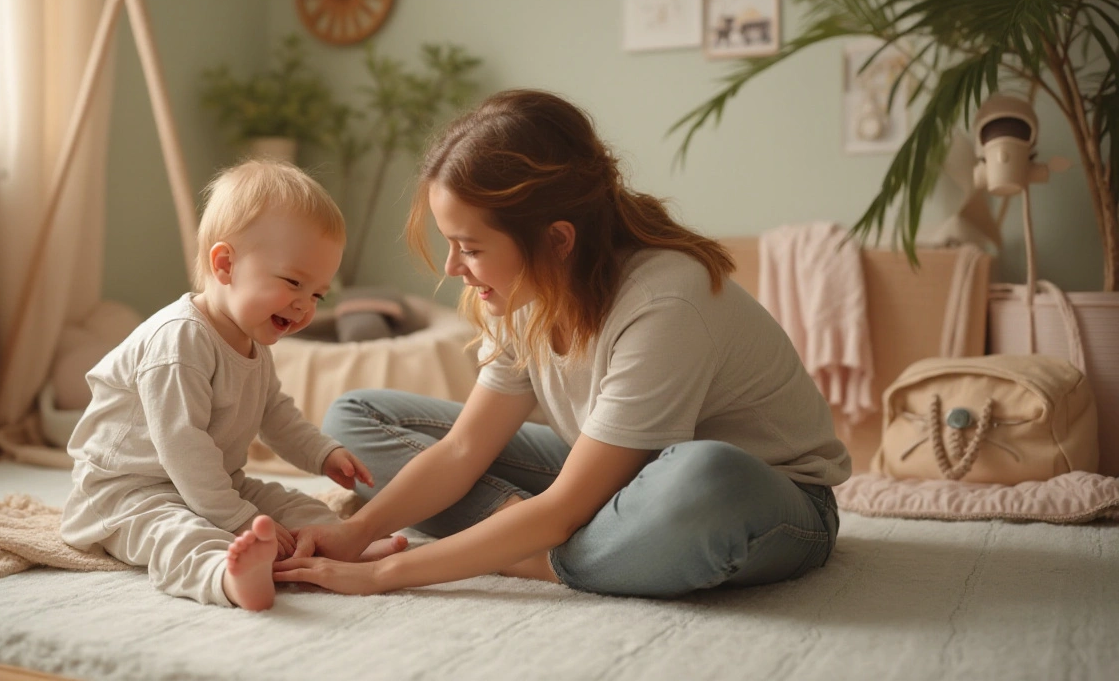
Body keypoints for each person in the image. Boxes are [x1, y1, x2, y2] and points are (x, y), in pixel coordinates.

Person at [273, 89, 850, 598]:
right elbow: (460, 452)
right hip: (604, 477)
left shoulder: (664, 302)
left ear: (556, 240)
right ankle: (560, 542)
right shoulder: (521, 293)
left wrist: (383, 574)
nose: (454, 268)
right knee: (355, 416)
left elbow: (566, 507)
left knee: (704, 478)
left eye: (470, 248)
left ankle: (540, 558)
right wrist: (355, 534)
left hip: (767, 500)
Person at [61, 159, 404, 611]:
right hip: (128, 492)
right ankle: (228, 577)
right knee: (178, 534)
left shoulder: (253, 341)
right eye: (293, 283)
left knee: (293, 505)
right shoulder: (179, 340)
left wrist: (322, 452)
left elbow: (276, 414)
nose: (305, 307)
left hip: (212, 481)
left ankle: (339, 546)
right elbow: (181, 445)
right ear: (225, 264)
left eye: (318, 294)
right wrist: (239, 519)